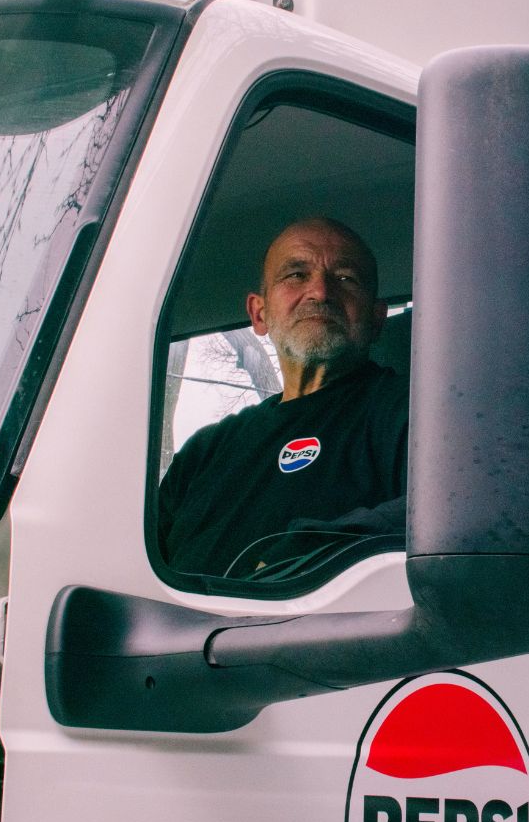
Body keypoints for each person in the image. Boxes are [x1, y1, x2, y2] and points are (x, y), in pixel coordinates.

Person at [155, 217, 409, 582]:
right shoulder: (204, 452)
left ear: (376, 318)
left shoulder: (411, 412)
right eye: (295, 275)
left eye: (345, 279)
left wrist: (305, 557)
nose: (320, 292)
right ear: (259, 314)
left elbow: (453, 512)